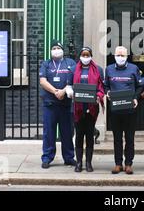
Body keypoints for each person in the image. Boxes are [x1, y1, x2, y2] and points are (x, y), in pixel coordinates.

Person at [39, 40, 77, 169]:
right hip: (50, 104)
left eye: (58, 48)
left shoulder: (70, 63)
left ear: (62, 50)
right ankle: (47, 158)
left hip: (66, 105)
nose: (56, 50)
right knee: (48, 132)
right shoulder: (46, 64)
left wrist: (64, 90)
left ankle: (69, 158)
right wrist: (55, 91)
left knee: (67, 132)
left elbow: (74, 80)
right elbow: (43, 81)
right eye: (53, 48)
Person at [104, 46, 142, 175]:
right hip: (115, 110)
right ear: (114, 55)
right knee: (117, 138)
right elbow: (105, 85)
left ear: (127, 56)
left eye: (123, 55)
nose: (120, 57)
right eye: (118, 55)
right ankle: (118, 164)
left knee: (130, 138)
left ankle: (129, 164)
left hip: (130, 109)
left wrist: (136, 98)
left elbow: (139, 86)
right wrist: (107, 92)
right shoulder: (109, 69)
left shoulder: (134, 68)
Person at [71, 47, 105, 173]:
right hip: (78, 108)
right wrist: (70, 93)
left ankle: (88, 163)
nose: (85, 57)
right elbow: (69, 85)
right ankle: (79, 162)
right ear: (80, 56)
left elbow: (101, 87)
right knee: (79, 136)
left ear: (91, 56)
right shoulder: (74, 69)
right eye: (83, 55)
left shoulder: (98, 70)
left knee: (90, 136)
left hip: (92, 108)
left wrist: (99, 96)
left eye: (87, 55)